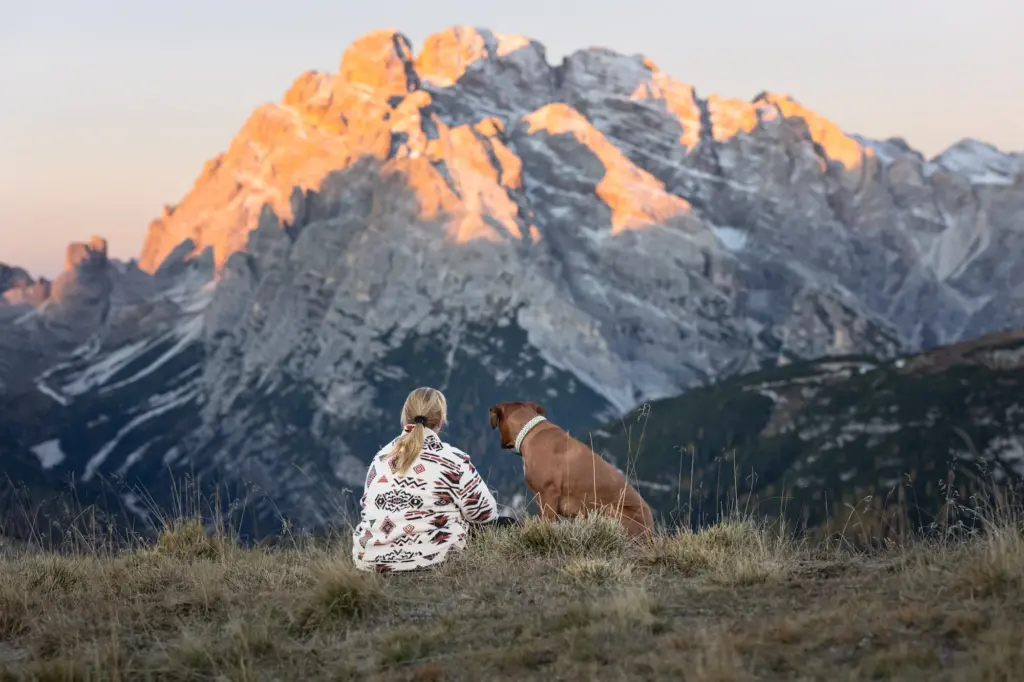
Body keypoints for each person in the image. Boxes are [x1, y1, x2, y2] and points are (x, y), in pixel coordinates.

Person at [352, 387, 509, 573]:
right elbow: (486, 514)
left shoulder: (380, 459)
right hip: (434, 564)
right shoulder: (452, 460)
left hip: (371, 565)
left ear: (404, 416)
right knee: (506, 525)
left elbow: (367, 507)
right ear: (441, 421)